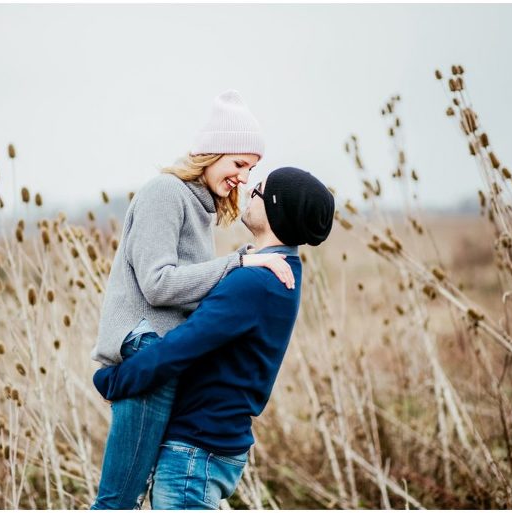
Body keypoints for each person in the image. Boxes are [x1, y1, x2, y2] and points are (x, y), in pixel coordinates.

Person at [90, 91, 295, 509]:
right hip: (147, 350)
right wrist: (238, 263)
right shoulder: (165, 193)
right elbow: (158, 285)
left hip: (165, 360)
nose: (244, 176)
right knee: (117, 502)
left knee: (128, 501)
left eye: (251, 168)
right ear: (210, 153)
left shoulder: (201, 209)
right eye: (239, 164)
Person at [94, 167, 335, 509]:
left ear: (278, 211)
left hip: (196, 452)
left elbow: (180, 347)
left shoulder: (254, 283)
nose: (249, 190)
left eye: (259, 191)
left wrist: (114, 379)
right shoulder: (281, 270)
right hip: (210, 445)